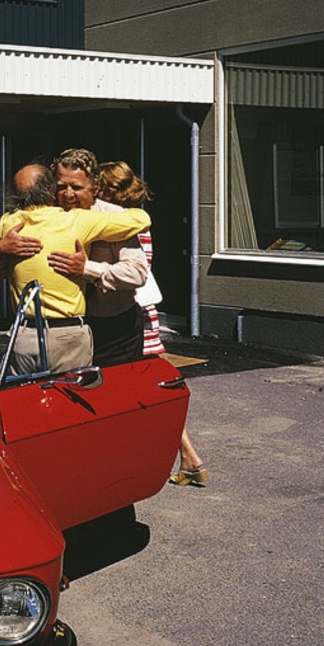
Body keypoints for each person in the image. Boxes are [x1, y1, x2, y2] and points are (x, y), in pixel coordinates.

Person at [95, 160, 208, 487]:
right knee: (145, 386)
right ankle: (188, 457)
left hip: (130, 314)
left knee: (138, 388)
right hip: (143, 312)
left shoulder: (121, 225)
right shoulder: (137, 220)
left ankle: (179, 457)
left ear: (107, 190)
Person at [0, 149, 150, 367]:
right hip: (63, 331)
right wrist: (0, 250)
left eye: (76, 187)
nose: (68, 194)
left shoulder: (115, 218)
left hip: (114, 330)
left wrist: (87, 269)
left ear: (96, 187)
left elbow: (138, 273)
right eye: (61, 186)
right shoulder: (41, 215)